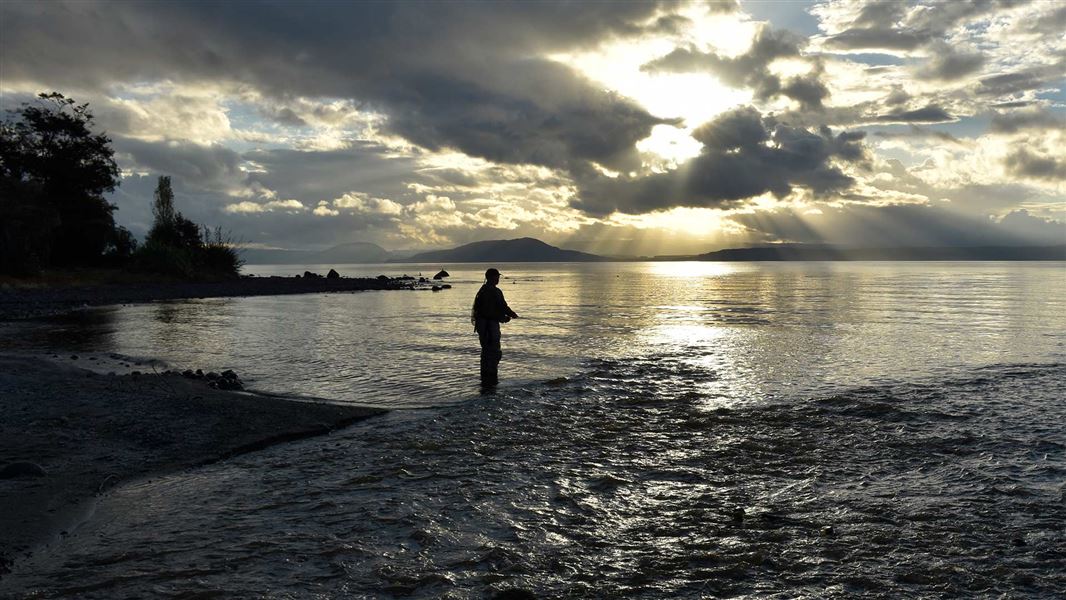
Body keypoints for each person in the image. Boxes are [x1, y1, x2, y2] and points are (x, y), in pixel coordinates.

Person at [471, 268, 518, 386]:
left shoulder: (481, 290)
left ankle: (486, 380)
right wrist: (510, 315)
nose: (498, 279)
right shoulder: (495, 291)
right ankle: (491, 379)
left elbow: (485, 310)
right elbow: (502, 307)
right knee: (494, 352)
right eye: (497, 277)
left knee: (486, 352)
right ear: (491, 277)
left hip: (482, 327)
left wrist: (506, 316)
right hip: (490, 327)